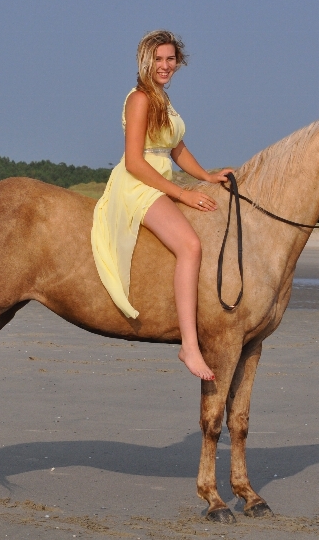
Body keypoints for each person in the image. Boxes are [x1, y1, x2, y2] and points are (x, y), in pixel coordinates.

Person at [91, 31, 233, 381]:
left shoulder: (163, 99)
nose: (165, 65)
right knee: (190, 245)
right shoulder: (140, 99)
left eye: (170, 59)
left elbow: (176, 149)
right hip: (137, 184)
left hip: (157, 179)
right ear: (145, 61)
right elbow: (136, 162)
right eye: (159, 59)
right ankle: (189, 344)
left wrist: (208, 175)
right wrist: (182, 194)